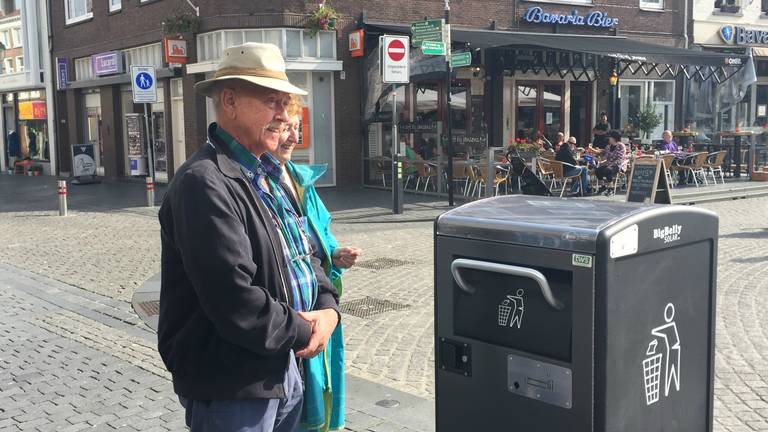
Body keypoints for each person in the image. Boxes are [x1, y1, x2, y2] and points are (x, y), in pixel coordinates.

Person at [157, 42, 340, 432]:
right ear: (229, 101)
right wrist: (309, 329)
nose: (283, 114)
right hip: (232, 384)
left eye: (287, 103)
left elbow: (304, 255)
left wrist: (328, 309)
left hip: (280, 368)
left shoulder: (270, 175)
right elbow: (235, 299)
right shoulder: (203, 183)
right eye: (272, 101)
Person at [271, 99, 362, 431]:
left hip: (317, 317)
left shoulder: (300, 180)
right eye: (283, 128)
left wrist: (335, 253)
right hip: (286, 326)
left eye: (297, 127)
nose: (292, 137)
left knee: (318, 398)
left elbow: (318, 236)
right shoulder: (255, 181)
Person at [595, 130, 628, 196]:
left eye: (609, 137)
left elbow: (620, 158)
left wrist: (609, 163)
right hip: (609, 164)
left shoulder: (621, 146)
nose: (608, 139)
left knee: (608, 170)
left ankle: (611, 188)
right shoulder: (608, 146)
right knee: (598, 170)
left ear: (613, 138)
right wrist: (599, 159)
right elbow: (606, 157)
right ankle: (603, 186)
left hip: (618, 165)